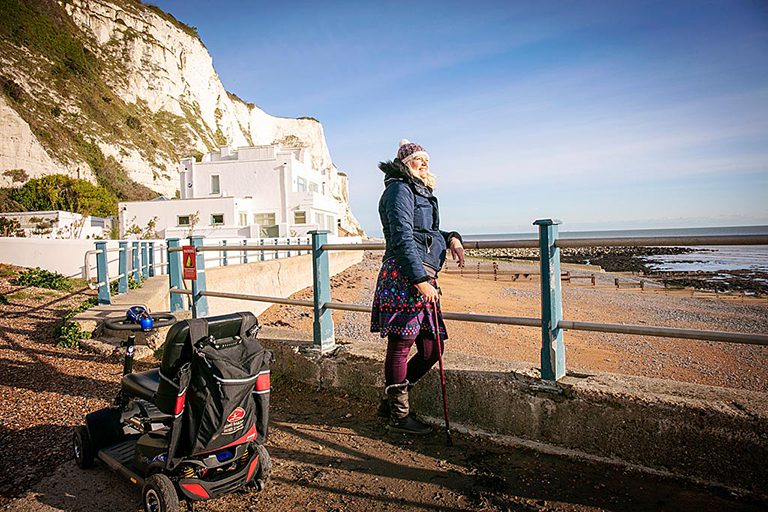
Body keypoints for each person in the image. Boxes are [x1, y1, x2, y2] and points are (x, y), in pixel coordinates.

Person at [370, 139, 465, 434]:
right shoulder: (399, 188)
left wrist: (452, 237)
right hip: (405, 276)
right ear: (404, 162)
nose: (424, 163)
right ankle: (399, 416)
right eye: (417, 159)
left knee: (432, 348)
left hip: (422, 275)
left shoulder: (419, 190)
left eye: (426, 159)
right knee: (401, 346)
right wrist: (419, 280)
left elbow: (428, 231)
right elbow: (401, 236)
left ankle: (390, 402)